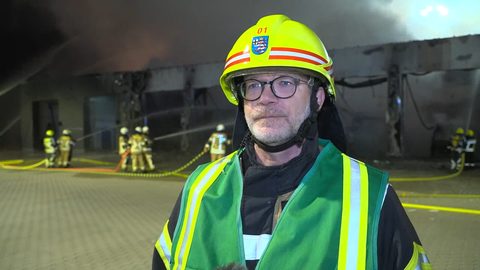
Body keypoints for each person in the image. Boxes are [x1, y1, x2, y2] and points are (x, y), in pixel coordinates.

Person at [152, 15, 431, 270]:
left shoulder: (369, 196)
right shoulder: (199, 190)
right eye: (253, 84)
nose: (265, 97)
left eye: (285, 82)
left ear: (318, 98)